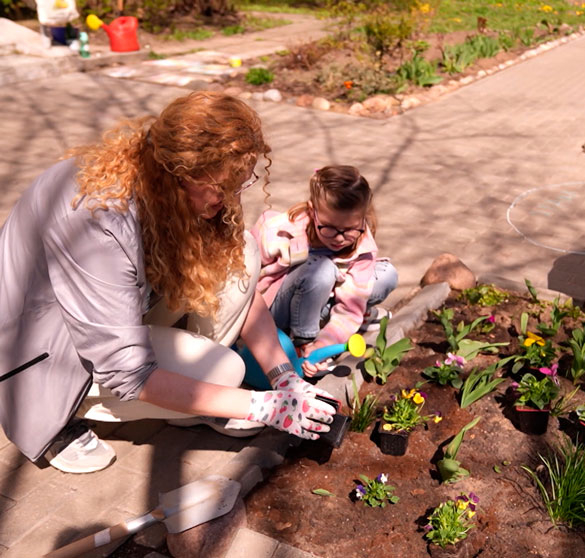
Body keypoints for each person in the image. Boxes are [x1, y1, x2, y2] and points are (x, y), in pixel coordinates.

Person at [0, 91, 335, 474]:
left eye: (239, 184)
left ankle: (189, 397)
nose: (230, 198)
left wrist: (284, 378)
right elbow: (127, 373)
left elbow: (238, 279)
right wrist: (261, 407)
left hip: (108, 312)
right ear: (183, 173)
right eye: (223, 188)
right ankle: (65, 415)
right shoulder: (98, 222)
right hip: (40, 350)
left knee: (240, 250)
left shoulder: (170, 190)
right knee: (224, 371)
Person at [252, 165, 398, 377]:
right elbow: (244, 270)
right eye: (329, 227)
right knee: (321, 269)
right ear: (313, 211)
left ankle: (325, 334)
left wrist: (324, 344)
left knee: (386, 274)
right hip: (275, 307)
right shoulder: (278, 230)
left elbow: (349, 308)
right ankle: (303, 341)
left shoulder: (363, 245)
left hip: (319, 300)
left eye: (350, 229)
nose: (339, 238)